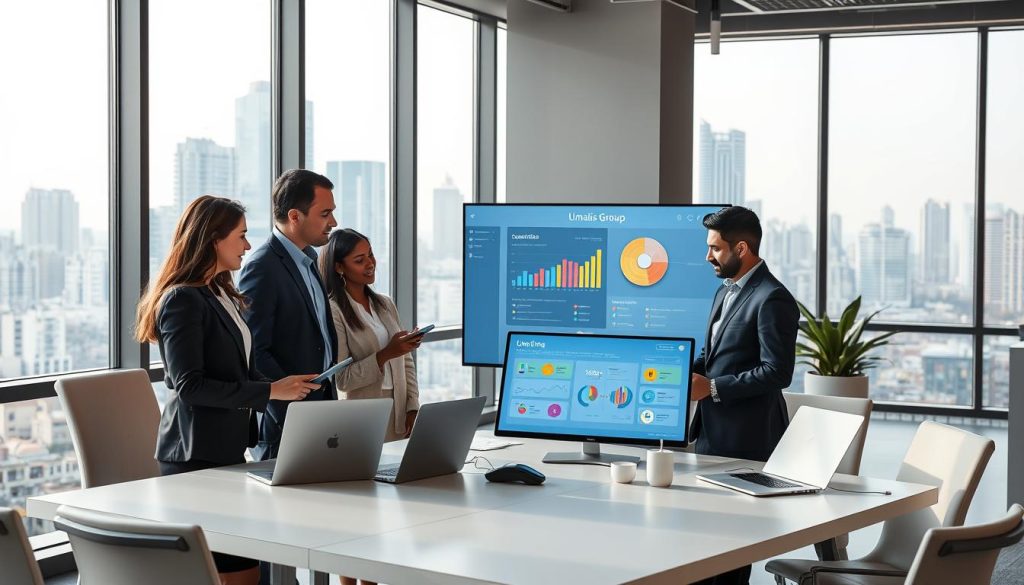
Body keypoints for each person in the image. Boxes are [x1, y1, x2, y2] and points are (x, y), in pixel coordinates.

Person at [135, 196, 320, 585]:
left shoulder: (221, 293)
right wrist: (270, 392)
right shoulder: (183, 299)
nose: (248, 246)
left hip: (226, 452)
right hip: (193, 460)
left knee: (244, 571)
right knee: (237, 573)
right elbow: (190, 386)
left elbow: (236, 368)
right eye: (241, 236)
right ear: (213, 239)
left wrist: (275, 388)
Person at [688, 206, 799, 585]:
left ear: (741, 248)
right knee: (703, 544)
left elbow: (777, 372)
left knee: (730, 553)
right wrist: (681, 371)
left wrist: (713, 388)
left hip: (747, 442)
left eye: (715, 249)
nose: (708, 257)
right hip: (710, 437)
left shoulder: (773, 298)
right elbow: (715, 355)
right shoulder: (724, 292)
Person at [239, 169, 339, 461]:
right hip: (285, 418)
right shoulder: (263, 267)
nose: (333, 222)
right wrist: (293, 396)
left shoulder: (309, 260)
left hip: (320, 410)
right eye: (325, 213)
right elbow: (255, 349)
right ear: (295, 216)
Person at [321, 229, 421, 444]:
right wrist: (385, 354)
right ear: (339, 267)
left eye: (371, 255)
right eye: (359, 260)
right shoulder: (334, 310)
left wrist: (412, 406)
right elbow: (342, 379)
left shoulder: (385, 303)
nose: (370, 263)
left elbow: (406, 363)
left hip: (399, 409)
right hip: (363, 415)